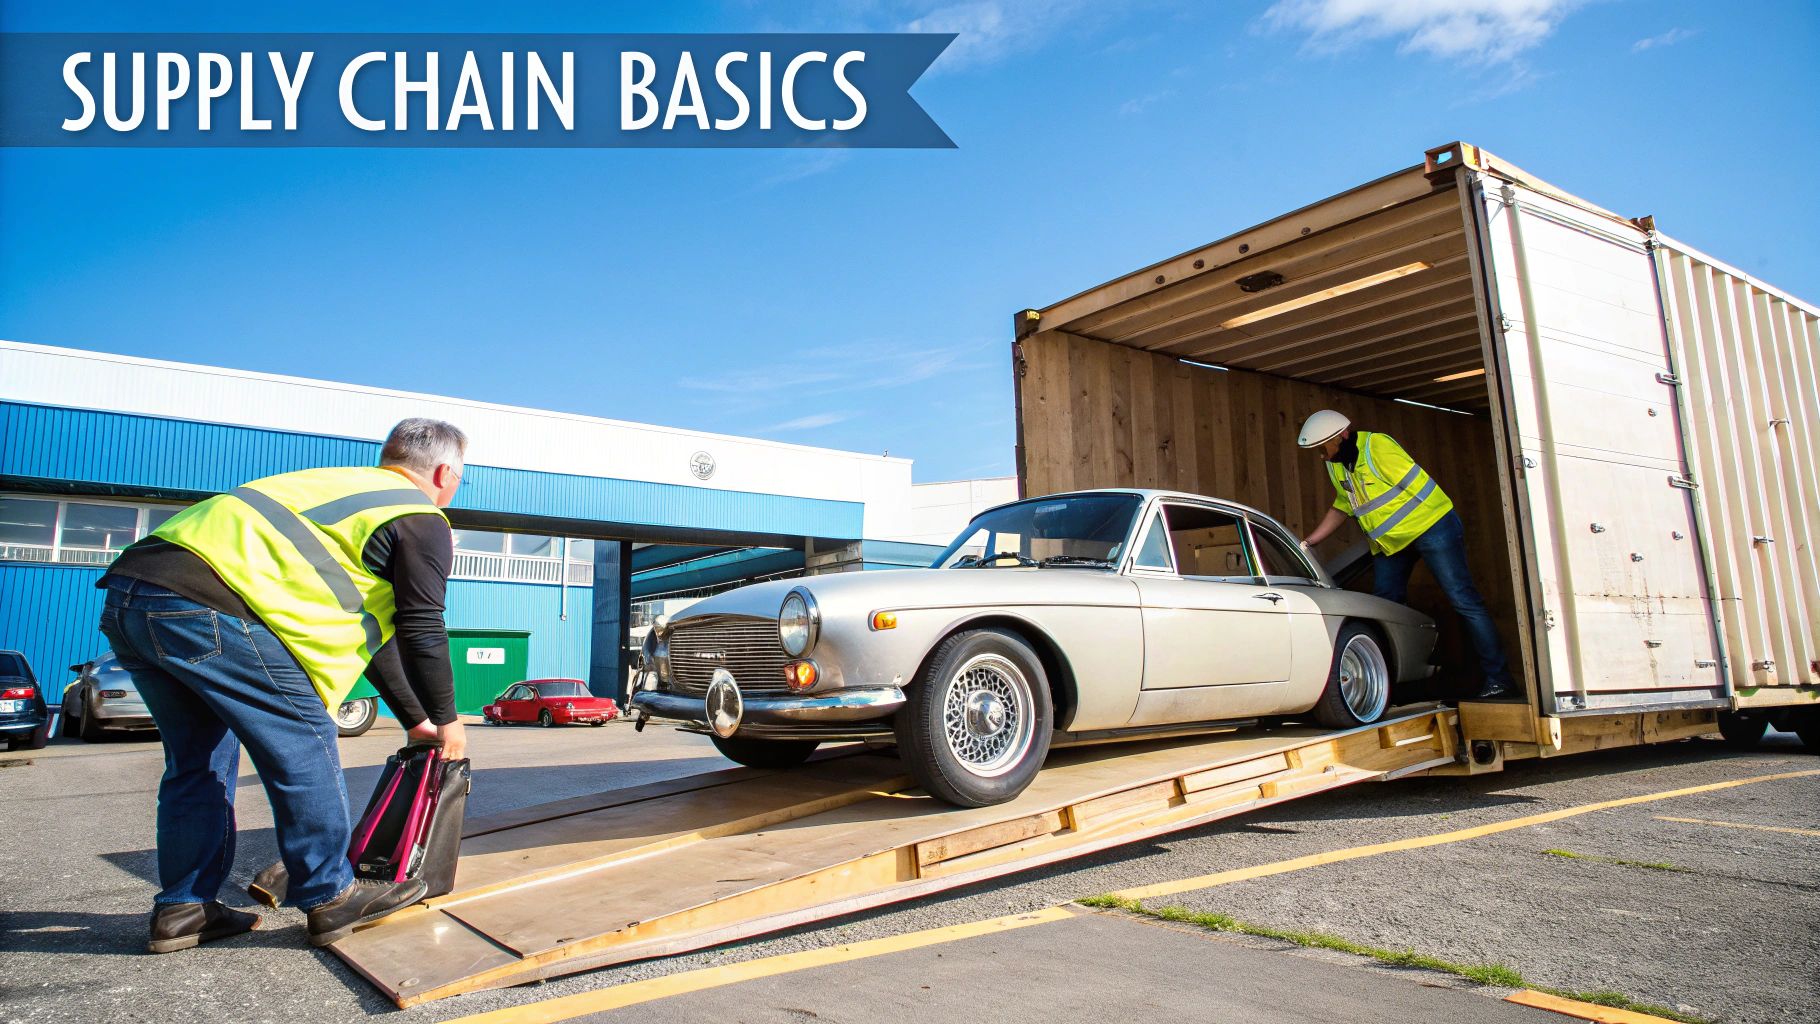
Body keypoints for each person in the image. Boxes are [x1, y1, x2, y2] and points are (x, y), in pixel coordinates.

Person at [96, 418, 470, 953]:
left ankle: (184, 907)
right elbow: (422, 626)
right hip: (213, 609)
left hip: (135, 599)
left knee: (198, 762)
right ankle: (329, 896)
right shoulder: (419, 515)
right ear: (444, 471)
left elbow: (380, 639)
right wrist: (450, 721)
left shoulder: (331, 487)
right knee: (306, 741)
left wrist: (416, 719)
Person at [1297, 409, 1514, 700]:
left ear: (1342, 436)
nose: (1321, 456)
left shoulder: (1378, 447)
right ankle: (1387, 688)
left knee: (1464, 602)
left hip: (1432, 528)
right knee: (1384, 610)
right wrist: (1310, 541)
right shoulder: (1336, 464)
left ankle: (1500, 680)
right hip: (1392, 544)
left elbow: (1417, 488)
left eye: (1323, 448)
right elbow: (1343, 505)